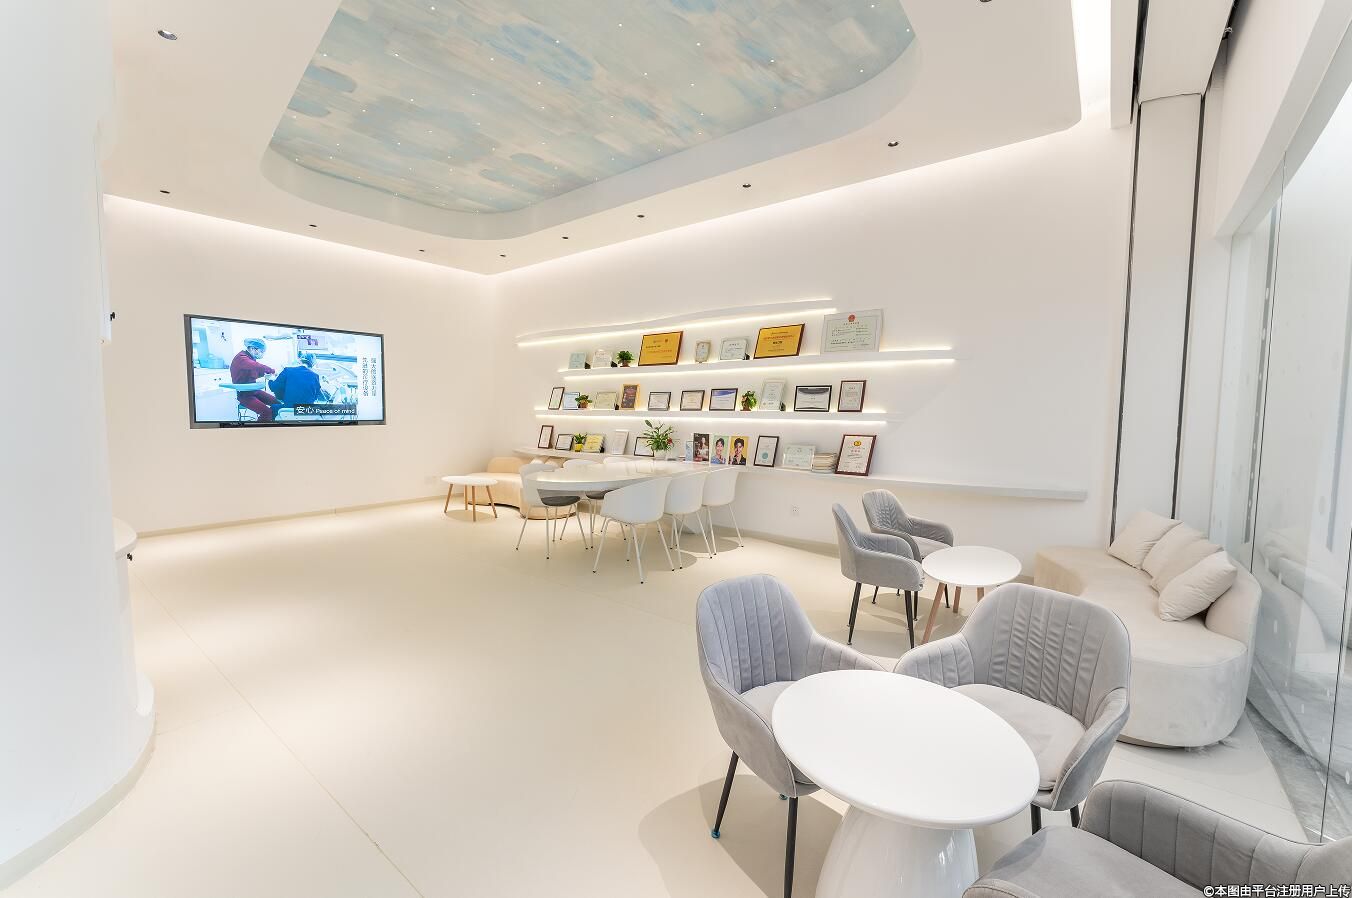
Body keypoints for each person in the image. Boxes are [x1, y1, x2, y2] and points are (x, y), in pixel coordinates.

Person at [229, 338, 279, 422]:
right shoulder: (242, 358)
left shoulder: (250, 358)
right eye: (261, 351)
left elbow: (253, 373)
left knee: (277, 404)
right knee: (266, 412)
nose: (262, 354)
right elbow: (257, 366)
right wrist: (272, 371)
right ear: (252, 349)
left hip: (254, 391)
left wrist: (265, 374)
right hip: (244, 395)